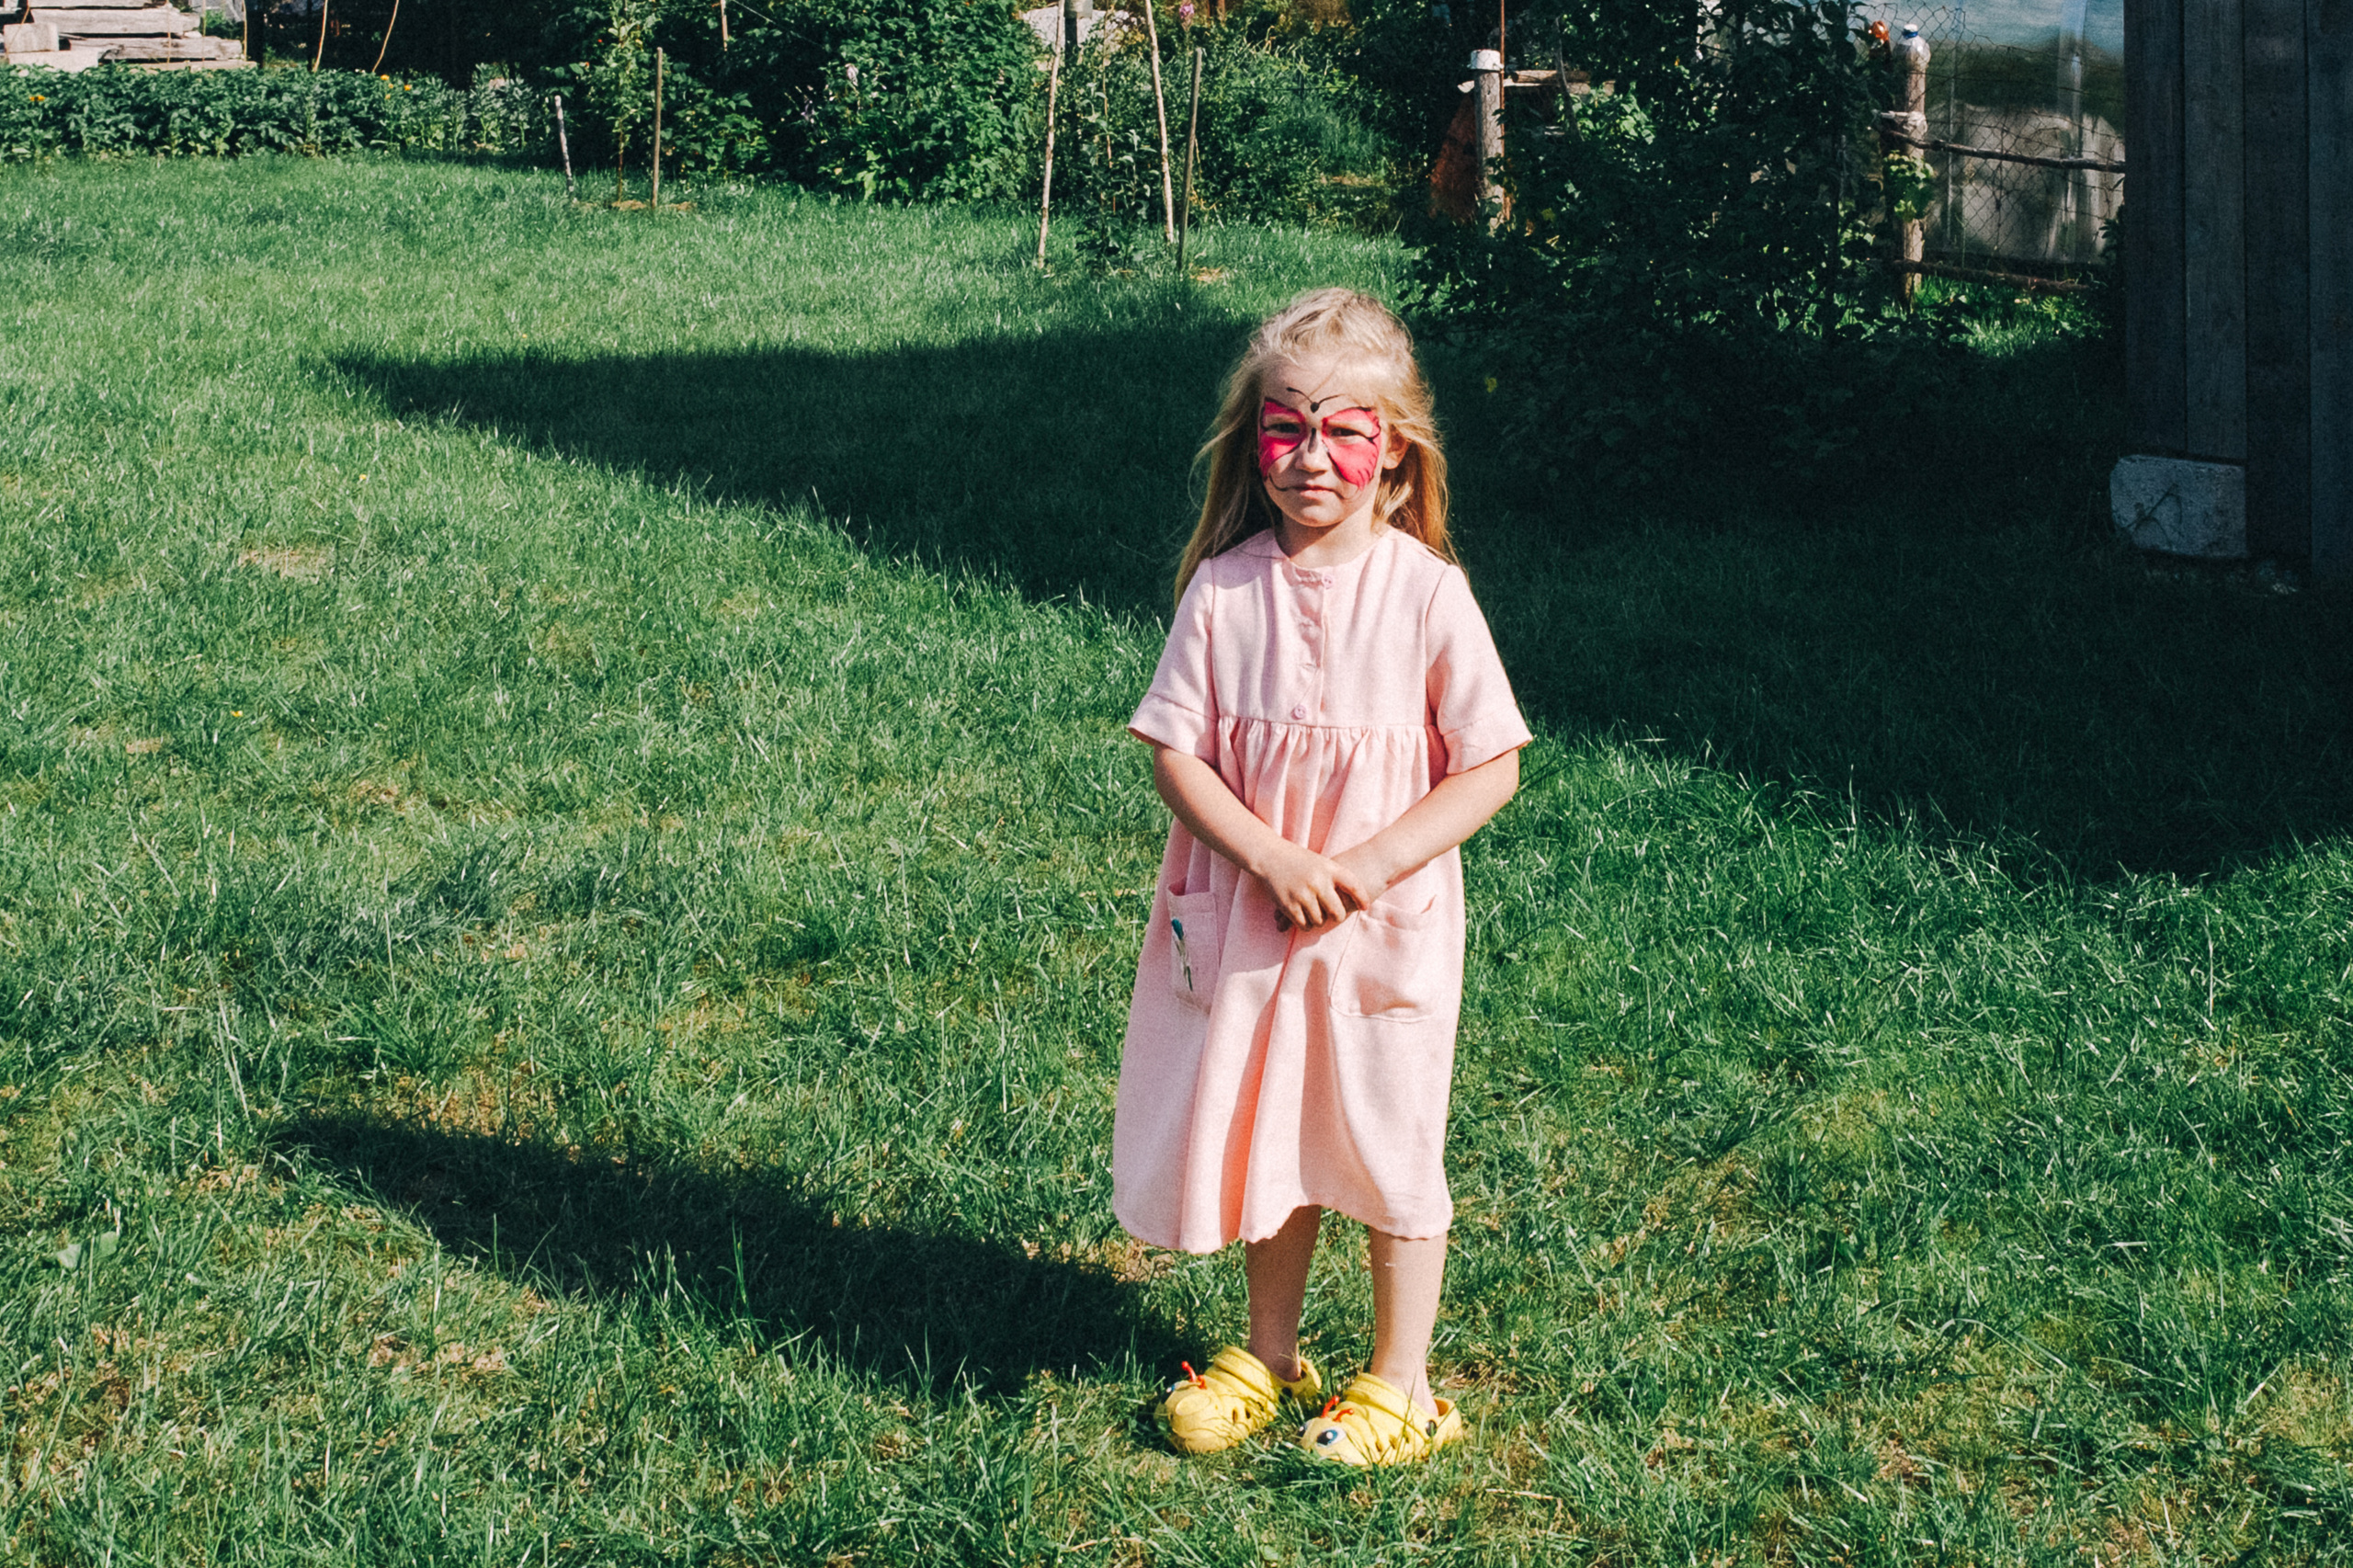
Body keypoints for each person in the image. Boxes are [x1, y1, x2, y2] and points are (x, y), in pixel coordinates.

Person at [1115, 288, 1530, 1467]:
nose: (1310, 456)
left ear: (1392, 449)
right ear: (1254, 436)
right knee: (1275, 1126)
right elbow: (1175, 751)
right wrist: (1271, 855)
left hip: (1381, 929)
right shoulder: (1224, 589)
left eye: (1343, 430)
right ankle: (1272, 1353)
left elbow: (1490, 764)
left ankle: (1403, 1382)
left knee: (1391, 1136)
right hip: (1253, 921)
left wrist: (1363, 865)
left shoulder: (1426, 593)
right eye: (1285, 427)